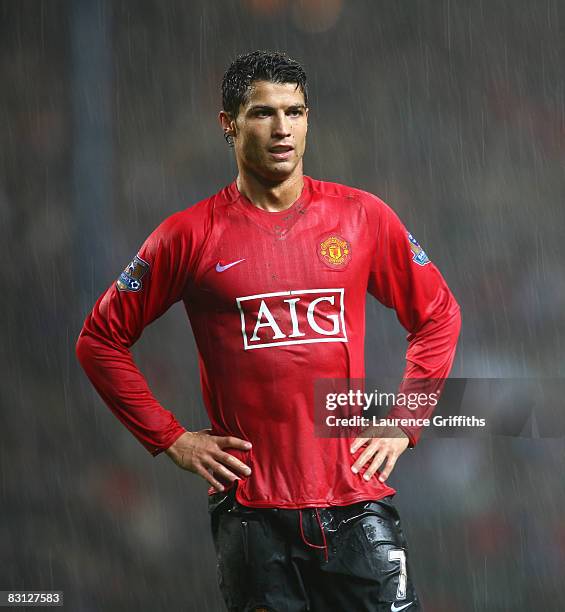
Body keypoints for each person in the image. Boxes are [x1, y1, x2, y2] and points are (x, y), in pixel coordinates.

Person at [76, 50, 461, 612]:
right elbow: (99, 340)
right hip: (252, 516)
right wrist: (171, 438)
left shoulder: (361, 217)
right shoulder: (188, 236)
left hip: (356, 506)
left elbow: (438, 314)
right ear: (228, 124)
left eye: (295, 111)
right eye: (263, 113)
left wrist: (406, 422)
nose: (283, 128)